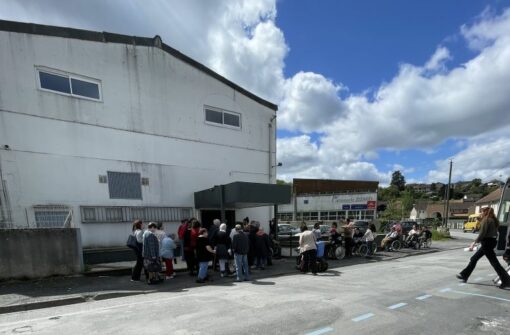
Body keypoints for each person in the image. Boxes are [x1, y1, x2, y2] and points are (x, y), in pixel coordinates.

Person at [457, 207, 510, 289]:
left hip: (486, 242)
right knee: (474, 258)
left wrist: (474, 243)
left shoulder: (486, 220)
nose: (481, 213)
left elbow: (482, 233)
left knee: (494, 263)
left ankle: (506, 281)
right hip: (491, 242)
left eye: (481, 212)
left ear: (485, 212)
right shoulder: (493, 220)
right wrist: (480, 221)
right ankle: (464, 275)